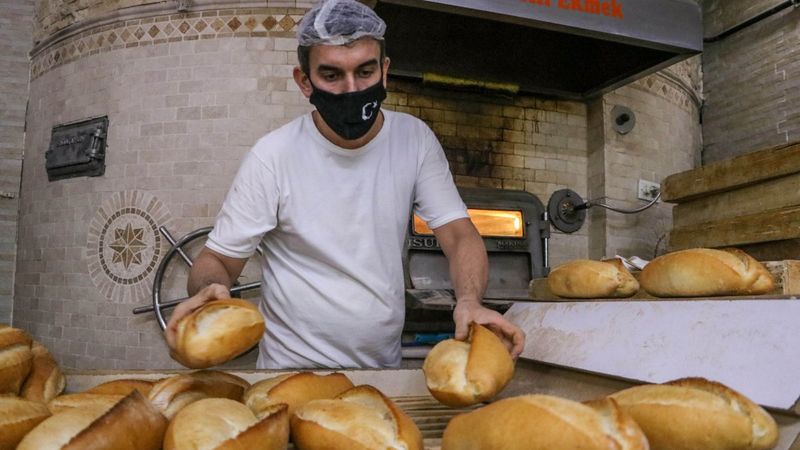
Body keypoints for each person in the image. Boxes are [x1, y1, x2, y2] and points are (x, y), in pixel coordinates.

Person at [165, 0, 525, 369]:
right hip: (288, 374)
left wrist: (469, 301)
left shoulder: (414, 140)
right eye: (332, 75)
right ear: (304, 81)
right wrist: (211, 291)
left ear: (385, 71)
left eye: (365, 71)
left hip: (380, 372)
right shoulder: (272, 156)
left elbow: (460, 236)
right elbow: (218, 260)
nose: (352, 90)